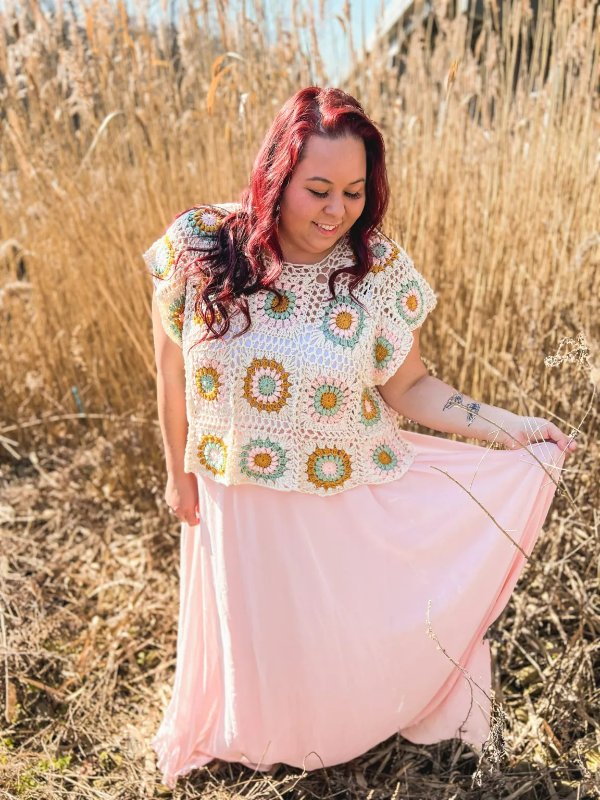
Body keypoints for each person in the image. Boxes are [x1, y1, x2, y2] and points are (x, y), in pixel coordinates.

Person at [143, 86, 575, 789]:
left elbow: (410, 389)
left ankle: (361, 734)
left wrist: (512, 427)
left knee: (349, 646)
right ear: (276, 176)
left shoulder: (372, 270)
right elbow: (170, 368)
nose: (335, 211)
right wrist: (176, 469)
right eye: (317, 189)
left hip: (342, 498)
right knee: (261, 659)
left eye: (353, 191)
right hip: (236, 503)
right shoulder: (200, 246)